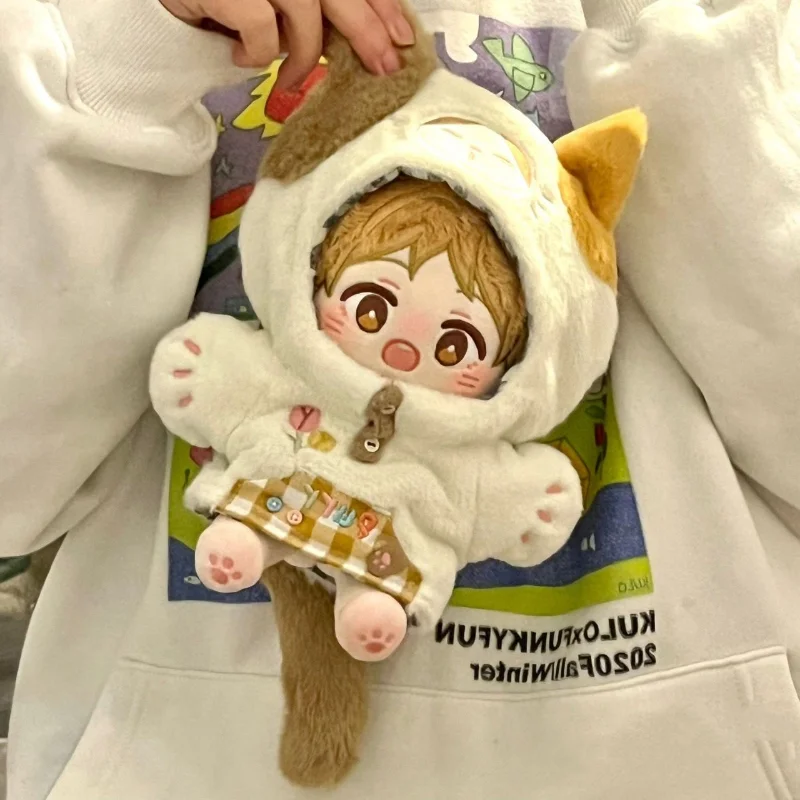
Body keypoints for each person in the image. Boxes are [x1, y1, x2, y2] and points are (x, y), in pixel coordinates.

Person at [1, 0, 798, 798]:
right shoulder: (91, 27)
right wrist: (137, 44)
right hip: (179, 764)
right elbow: (14, 487)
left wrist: (691, 54)